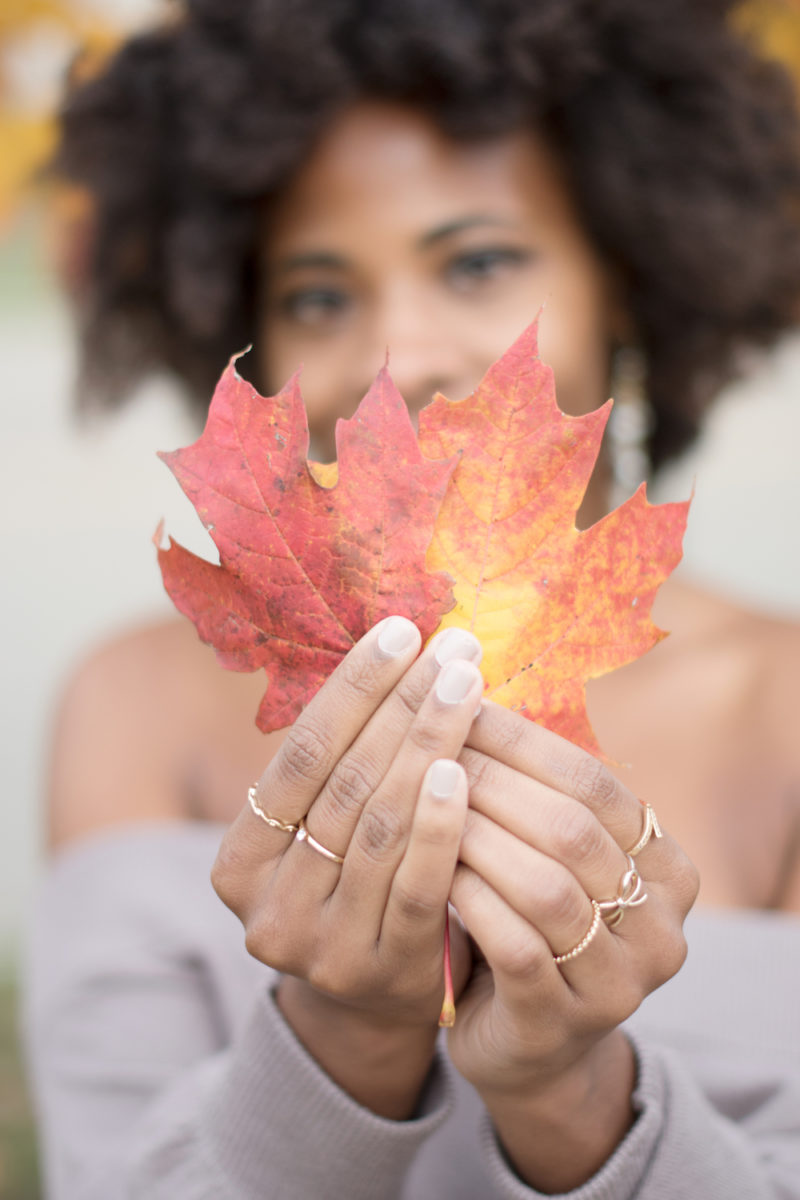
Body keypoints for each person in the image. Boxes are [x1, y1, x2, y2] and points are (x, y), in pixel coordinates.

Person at [22, 1, 800, 1197]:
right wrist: (343, 1037)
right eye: (319, 295)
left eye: (477, 261)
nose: (396, 353)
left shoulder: (779, 711)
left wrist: (571, 1097)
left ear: (631, 284)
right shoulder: (130, 707)